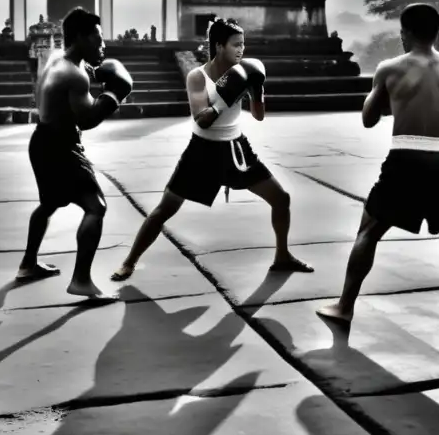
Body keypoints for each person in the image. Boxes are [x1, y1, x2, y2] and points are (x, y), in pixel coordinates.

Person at [317, 3, 439, 346]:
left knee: (368, 232)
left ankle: (345, 306)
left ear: (404, 33)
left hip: (404, 159)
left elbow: (368, 118)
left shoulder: (390, 68)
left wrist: (385, 98)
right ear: (438, 32)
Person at [111, 16, 312, 281]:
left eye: (243, 45)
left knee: (281, 198)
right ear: (219, 46)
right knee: (165, 209)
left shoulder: (243, 72)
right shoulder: (198, 77)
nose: (242, 50)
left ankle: (282, 256)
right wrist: (227, 98)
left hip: (237, 148)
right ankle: (129, 262)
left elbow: (259, 115)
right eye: (236, 45)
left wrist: (257, 88)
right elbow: (202, 120)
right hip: (202, 151)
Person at [17, 6, 134, 301]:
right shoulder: (75, 76)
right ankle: (81, 280)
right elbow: (87, 120)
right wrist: (116, 92)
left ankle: (27, 265)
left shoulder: (57, 59)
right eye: (98, 39)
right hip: (62, 146)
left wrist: (95, 70)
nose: (103, 45)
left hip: (41, 141)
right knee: (96, 207)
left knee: (49, 203)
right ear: (81, 37)